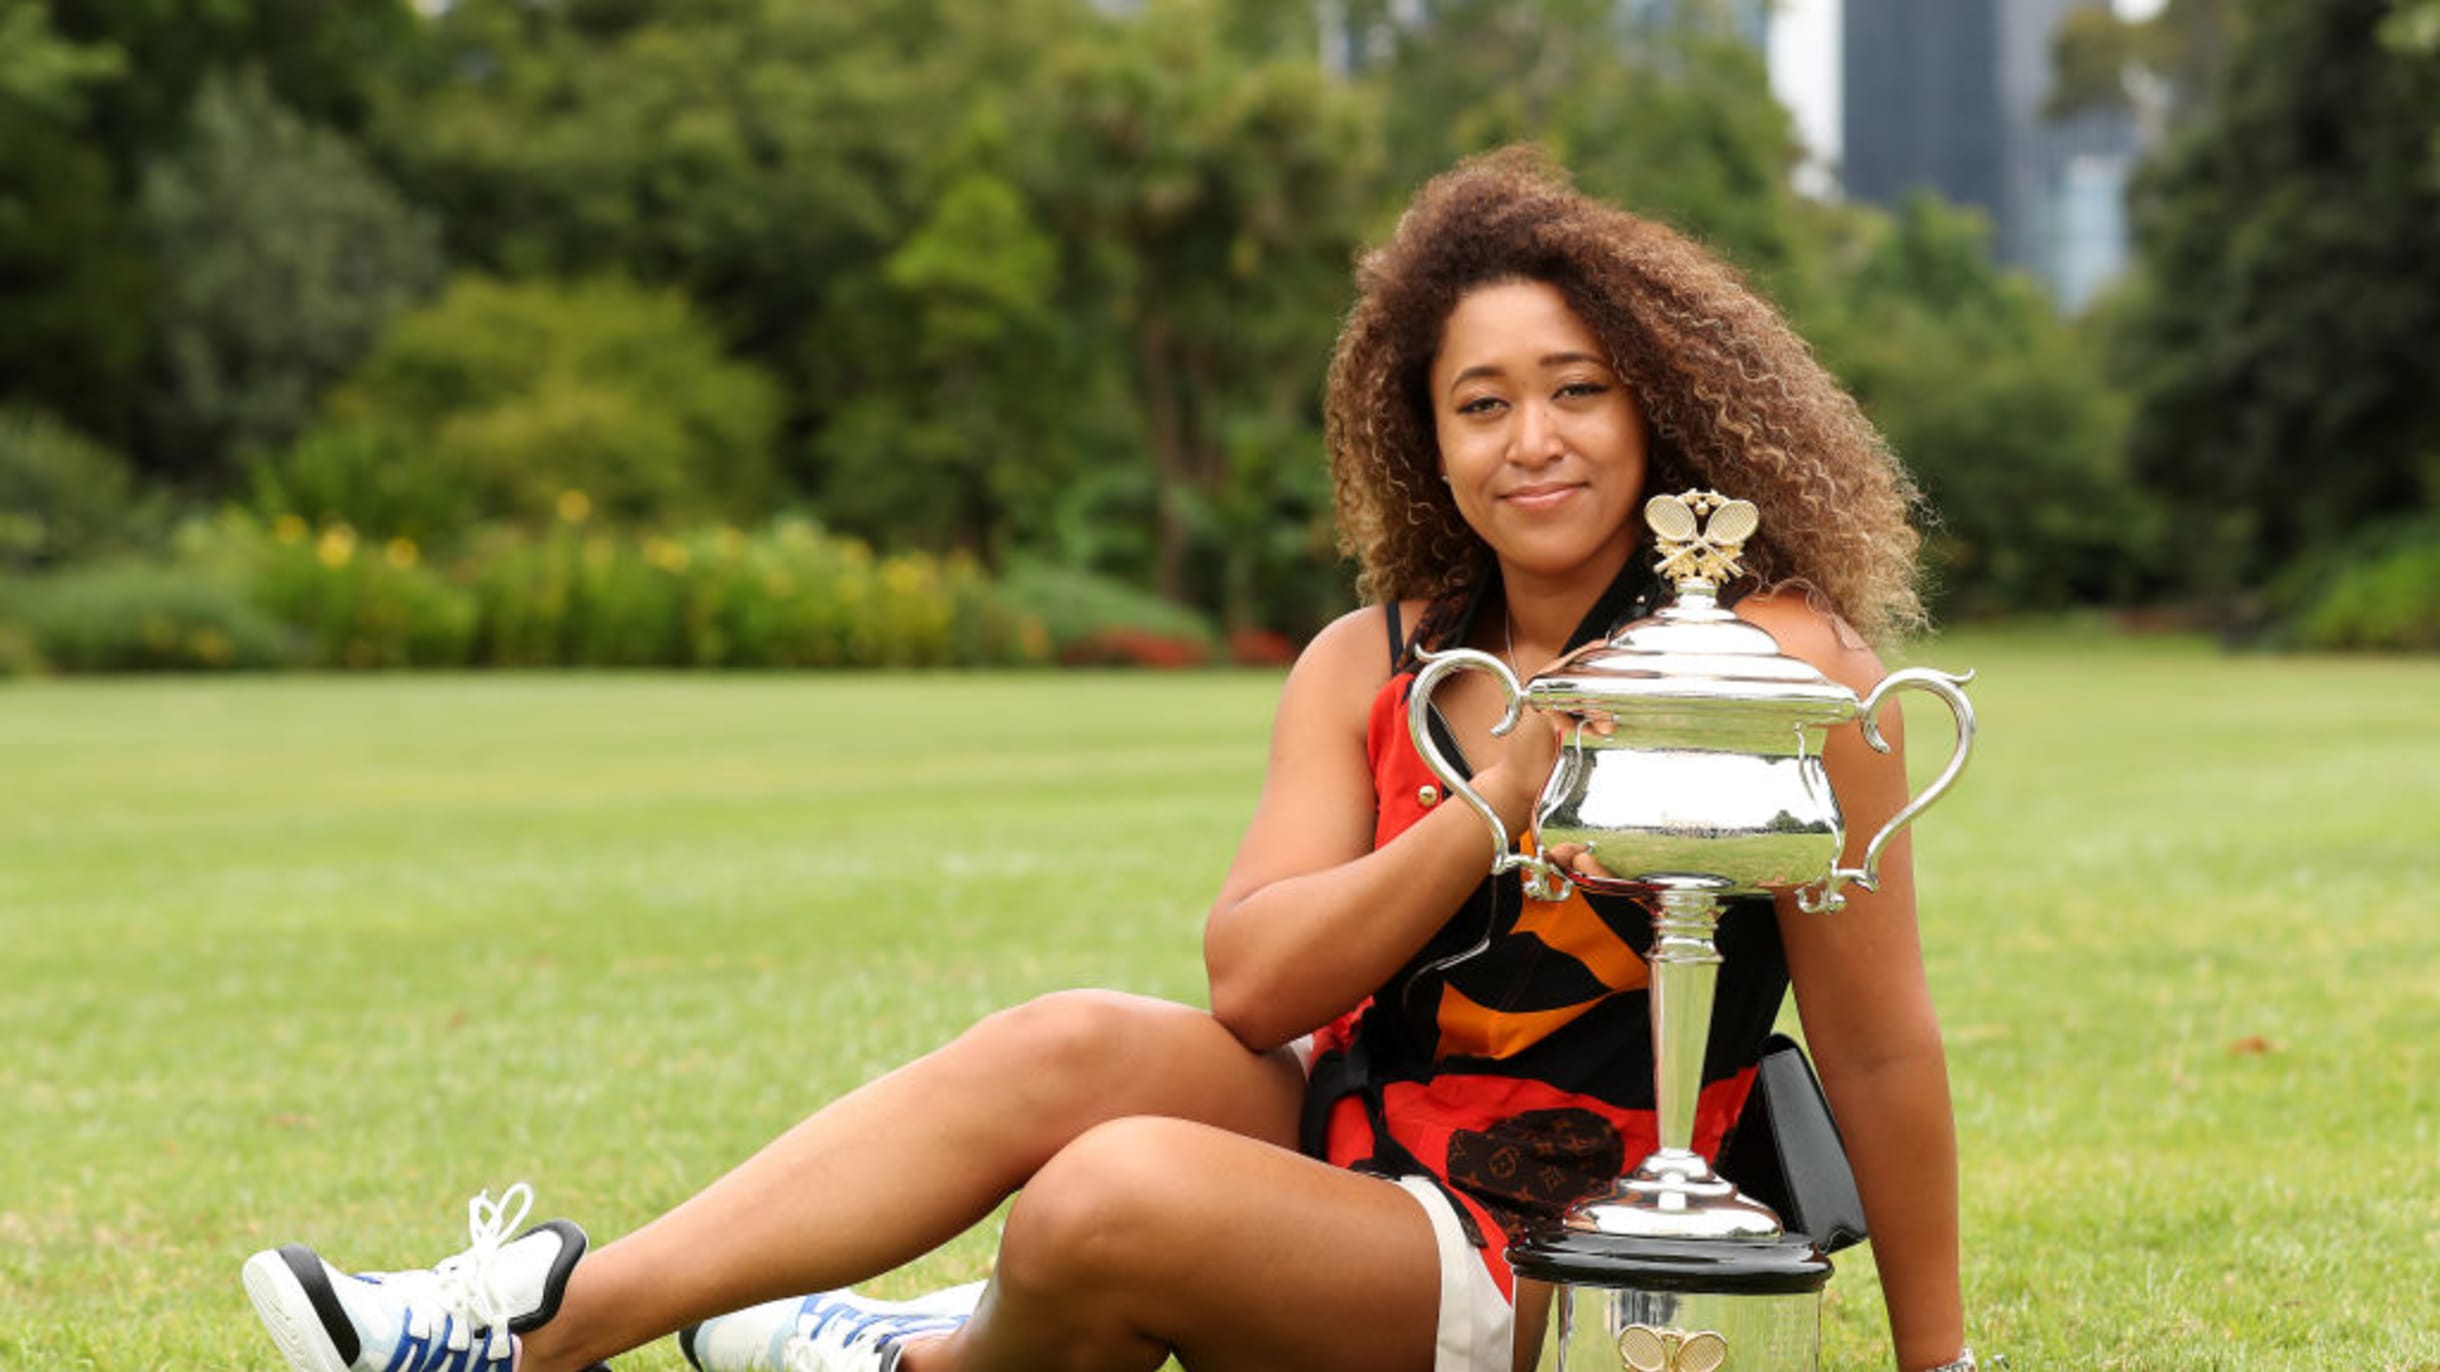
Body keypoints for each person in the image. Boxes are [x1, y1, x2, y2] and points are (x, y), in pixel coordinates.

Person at [240, 148, 1974, 1372]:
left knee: (1114, 1200)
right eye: (1480, 401)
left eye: (1578, 389)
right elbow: (1250, 984)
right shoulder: (1359, 667)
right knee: (1066, 1047)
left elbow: (1881, 1055)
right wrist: (1490, 807)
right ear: (1421, 437)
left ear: (1658, 406)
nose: (1534, 440)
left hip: (1559, 1260)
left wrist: (1938, 1365)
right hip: (1356, 1163)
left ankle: (917, 1358)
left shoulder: (1773, 678)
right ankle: (541, 1324)